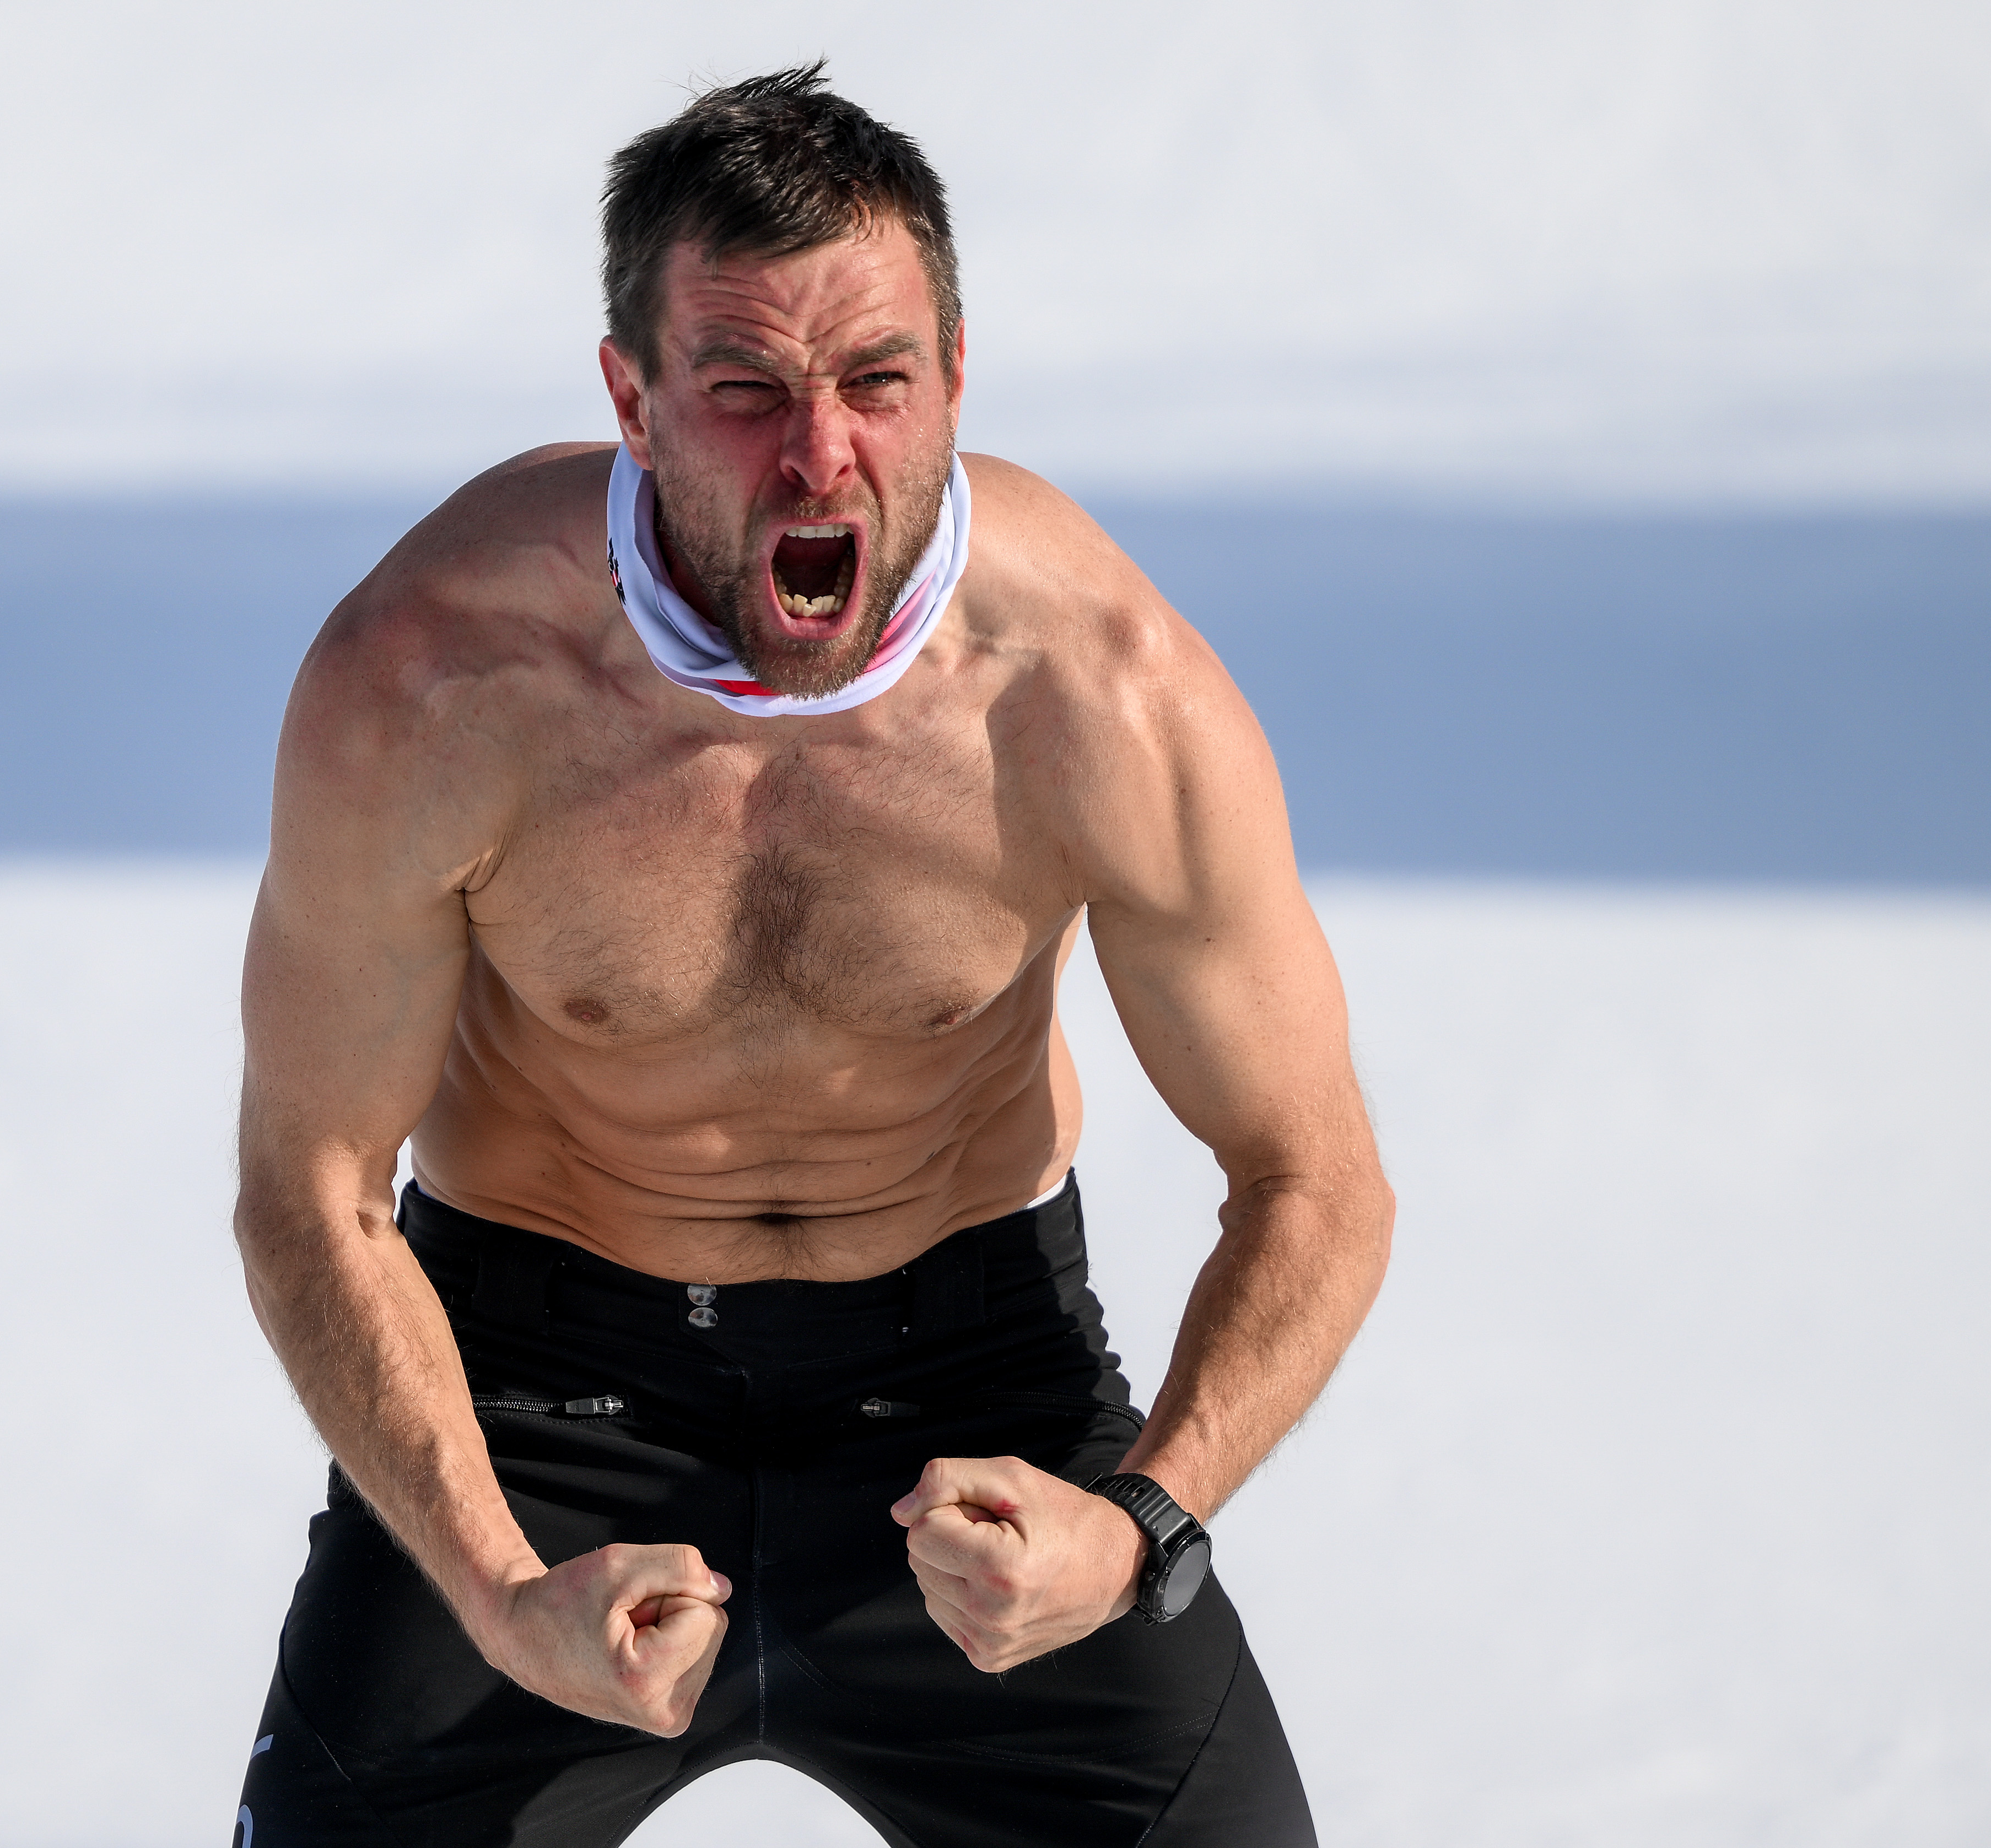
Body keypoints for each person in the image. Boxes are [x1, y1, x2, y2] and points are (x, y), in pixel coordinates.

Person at [230, 64, 1392, 1848]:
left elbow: (1312, 1176)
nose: (820, 455)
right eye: (746, 390)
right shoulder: (431, 683)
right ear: (630, 398)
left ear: (955, 379)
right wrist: (493, 1589)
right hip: (535, 1407)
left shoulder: (1098, 691)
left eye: (876, 381)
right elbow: (311, 1187)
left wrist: (1134, 1526)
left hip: (974, 1397)